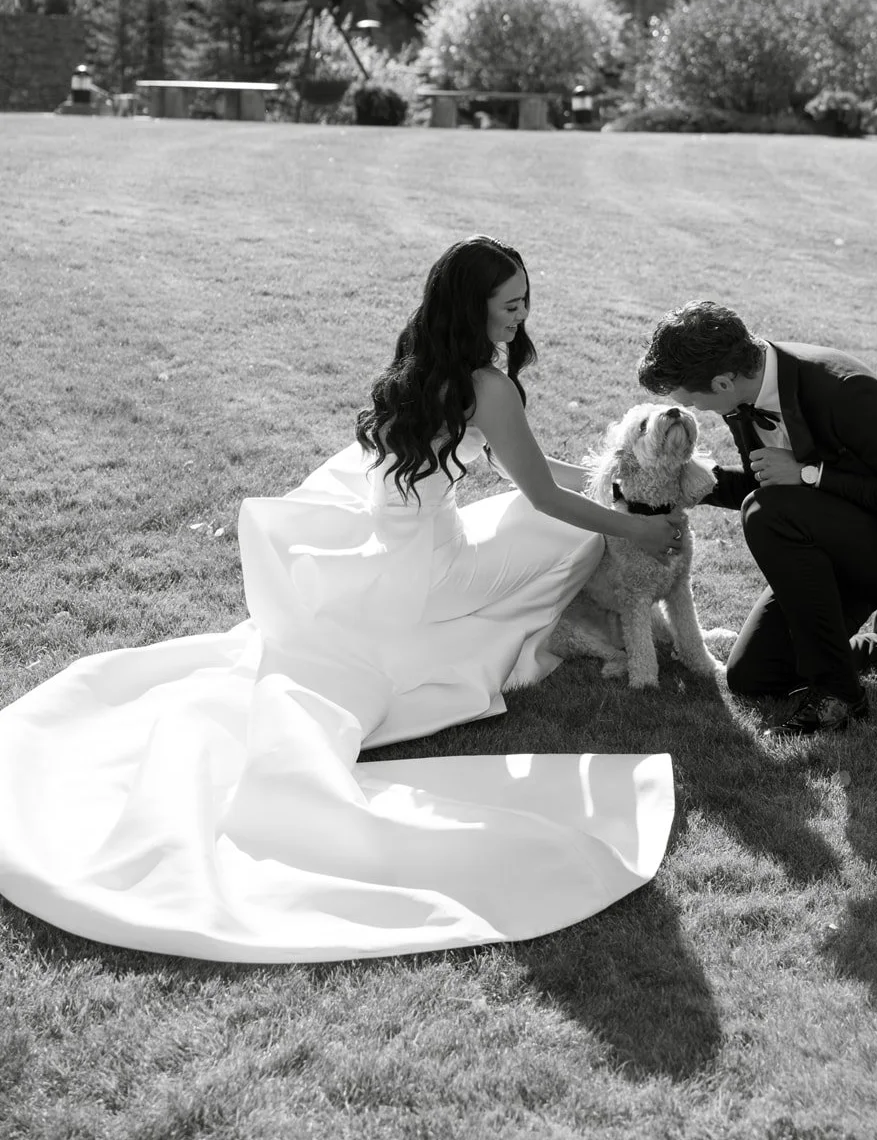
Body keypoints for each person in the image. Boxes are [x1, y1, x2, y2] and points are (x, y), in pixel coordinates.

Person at [0, 238, 679, 963]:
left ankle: (534, 625)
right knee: (566, 535)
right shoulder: (489, 384)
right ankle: (554, 631)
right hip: (430, 577)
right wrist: (629, 523)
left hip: (388, 557)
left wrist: (608, 474)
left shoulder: (416, 365)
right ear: (472, 308)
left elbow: (529, 465)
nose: (520, 317)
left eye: (523, 303)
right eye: (509, 305)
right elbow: (540, 491)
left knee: (529, 520)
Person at [637, 302, 877, 737]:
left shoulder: (846, 389)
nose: (693, 408)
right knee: (752, 678)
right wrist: (682, 486)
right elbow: (771, 481)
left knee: (766, 515)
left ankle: (840, 695)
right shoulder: (742, 389)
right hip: (826, 542)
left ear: (723, 381)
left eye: (691, 400)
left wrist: (808, 475)